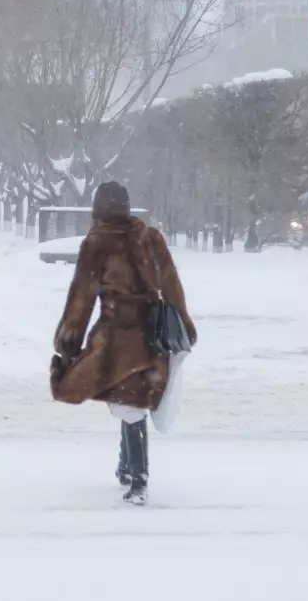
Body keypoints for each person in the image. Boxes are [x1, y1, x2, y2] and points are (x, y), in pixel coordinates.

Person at [49, 182, 196, 505]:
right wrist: (184, 324)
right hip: (152, 333)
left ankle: (139, 479)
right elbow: (172, 283)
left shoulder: (97, 242)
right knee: (131, 399)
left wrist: (69, 339)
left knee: (129, 404)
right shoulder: (150, 236)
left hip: (118, 337)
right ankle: (126, 468)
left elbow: (82, 297)